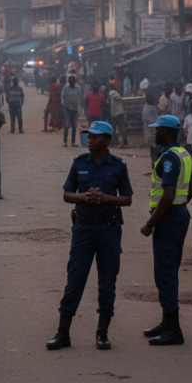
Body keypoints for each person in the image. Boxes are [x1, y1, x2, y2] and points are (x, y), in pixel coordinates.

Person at [46, 121, 133, 351]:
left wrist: (106, 198)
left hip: (108, 230)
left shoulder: (118, 165)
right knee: (75, 280)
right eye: (89, 136)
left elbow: (127, 199)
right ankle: (63, 333)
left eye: (95, 137)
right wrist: (84, 197)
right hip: (83, 230)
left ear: (107, 140)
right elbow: (67, 194)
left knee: (107, 282)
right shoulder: (79, 163)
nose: (90, 140)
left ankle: (102, 334)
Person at [140, 115, 192, 345]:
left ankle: (173, 329)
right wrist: (180, 207)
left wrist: (151, 222)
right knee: (169, 270)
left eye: (158, 130)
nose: (155, 133)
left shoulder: (169, 157)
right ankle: (166, 321)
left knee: (165, 274)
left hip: (168, 219)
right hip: (178, 216)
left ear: (168, 132)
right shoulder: (184, 154)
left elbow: (168, 195)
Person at [61, 74, 81, 148]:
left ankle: (73, 142)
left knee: (74, 126)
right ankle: (65, 142)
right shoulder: (66, 88)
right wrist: (64, 105)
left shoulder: (77, 88)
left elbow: (80, 97)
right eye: (70, 81)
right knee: (66, 125)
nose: (72, 82)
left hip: (75, 110)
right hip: (67, 110)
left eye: (73, 81)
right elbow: (63, 96)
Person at [143, 94, 160, 166]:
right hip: (149, 129)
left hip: (154, 128)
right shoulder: (146, 107)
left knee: (155, 146)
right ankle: (153, 161)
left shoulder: (154, 107)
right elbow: (147, 118)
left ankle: (155, 161)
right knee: (152, 146)